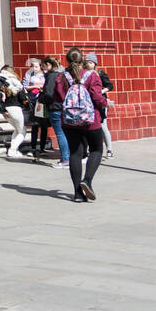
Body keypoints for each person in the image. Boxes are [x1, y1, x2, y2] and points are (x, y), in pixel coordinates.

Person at [51, 47, 109, 203]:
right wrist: (106, 103)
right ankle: (87, 180)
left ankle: (77, 193)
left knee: (75, 154)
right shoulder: (91, 76)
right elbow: (97, 98)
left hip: (69, 121)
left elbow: (57, 98)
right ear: (82, 60)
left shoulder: (61, 77)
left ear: (67, 60)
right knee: (96, 149)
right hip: (91, 121)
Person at [38, 55, 71, 169]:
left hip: (54, 107)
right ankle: (68, 157)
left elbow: (48, 94)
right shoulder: (63, 74)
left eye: (45, 65)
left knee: (60, 134)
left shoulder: (52, 76)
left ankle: (65, 159)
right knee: (65, 133)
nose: (44, 68)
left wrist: (41, 99)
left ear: (50, 65)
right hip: (63, 107)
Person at [84, 53, 114, 157]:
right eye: (87, 62)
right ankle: (88, 149)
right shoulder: (84, 74)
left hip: (100, 101)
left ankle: (109, 149)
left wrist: (101, 92)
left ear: (95, 64)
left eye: (91, 62)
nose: (88, 64)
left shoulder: (100, 73)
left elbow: (110, 85)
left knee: (103, 126)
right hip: (88, 103)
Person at [0, 63, 28, 158]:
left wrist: (2, 110)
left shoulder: (0, 81)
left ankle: (14, 149)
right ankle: (12, 149)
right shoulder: (16, 82)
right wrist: (25, 104)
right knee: (22, 131)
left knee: (17, 129)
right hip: (16, 108)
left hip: (6, 109)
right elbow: (22, 97)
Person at [23, 58, 50, 157]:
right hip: (33, 101)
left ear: (40, 66)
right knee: (34, 125)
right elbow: (25, 86)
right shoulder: (29, 74)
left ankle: (42, 147)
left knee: (44, 125)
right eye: (32, 66)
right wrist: (36, 87)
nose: (34, 68)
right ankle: (33, 147)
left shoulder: (46, 74)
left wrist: (42, 88)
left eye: (36, 66)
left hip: (43, 101)